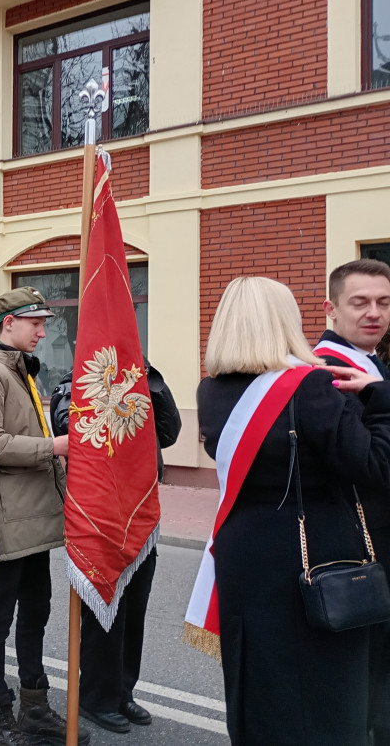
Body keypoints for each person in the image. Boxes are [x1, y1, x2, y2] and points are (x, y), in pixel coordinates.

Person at [197, 276, 390, 745]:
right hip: (314, 553)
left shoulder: (211, 389)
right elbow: (377, 466)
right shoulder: (312, 386)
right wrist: (380, 400)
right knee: (323, 691)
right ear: (285, 321)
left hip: (246, 550)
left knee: (260, 679)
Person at [0, 287, 87, 746]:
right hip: (6, 520)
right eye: (33, 322)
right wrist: (56, 446)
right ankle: (0, 717)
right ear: (6, 323)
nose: (42, 330)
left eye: (44, 322)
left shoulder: (17, 368)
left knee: (36, 612)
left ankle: (34, 708)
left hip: (33, 518)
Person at [77, 360, 181, 733]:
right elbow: (75, 433)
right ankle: (95, 697)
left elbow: (168, 433)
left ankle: (122, 691)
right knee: (106, 615)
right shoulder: (75, 385)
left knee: (133, 613)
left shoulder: (141, 387)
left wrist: (153, 379)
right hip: (103, 520)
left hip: (140, 516)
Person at [312, 258, 390, 744]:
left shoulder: (373, 365)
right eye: (359, 302)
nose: (373, 313)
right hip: (366, 542)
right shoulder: (329, 369)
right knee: (371, 677)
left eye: (383, 302)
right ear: (331, 309)